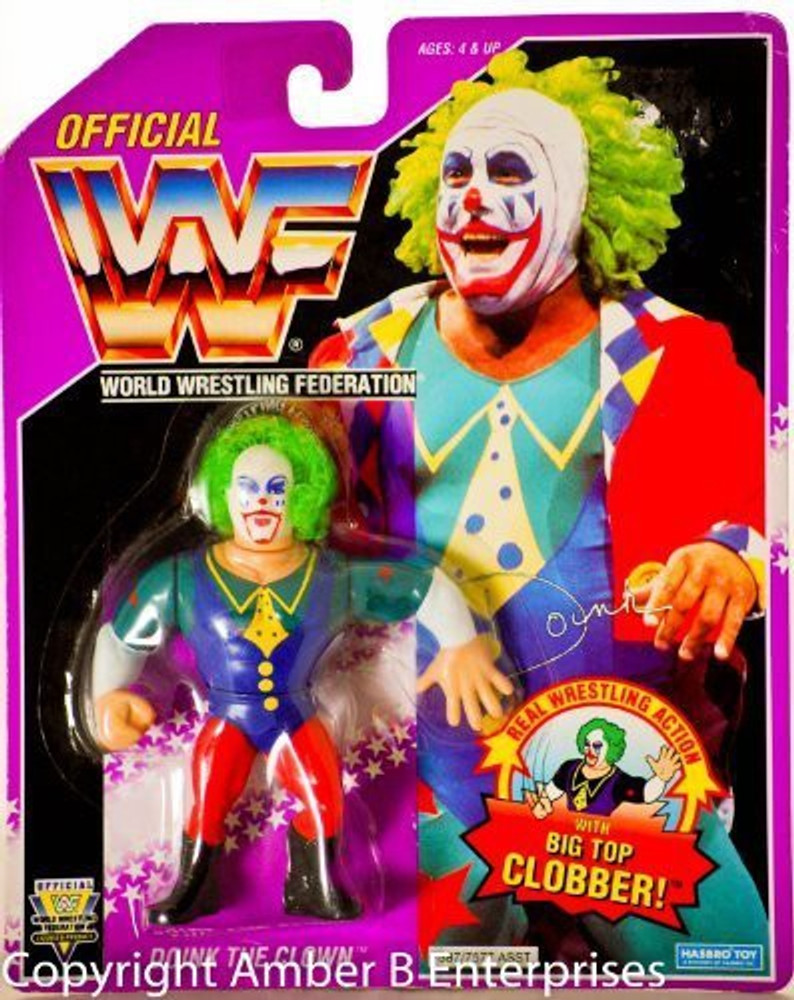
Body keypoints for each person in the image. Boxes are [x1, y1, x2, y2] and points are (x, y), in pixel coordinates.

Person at [312, 50, 767, 966]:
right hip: (423, 785)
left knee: (733, 965)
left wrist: (730, 560)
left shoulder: (673, 354)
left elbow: (759, 499)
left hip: (618, 780)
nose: (473, 199)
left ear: (579, 197)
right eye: (455, 175)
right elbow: (310, 547)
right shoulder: (362, 355)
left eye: (509, 171)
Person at [90, 412, 505, 925]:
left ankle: (314, 882)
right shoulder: (185, 576)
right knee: (209, 797)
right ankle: (193, 885)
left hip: (295, 714)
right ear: (224, 496)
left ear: (301, 498)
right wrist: (107, 696)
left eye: (276, 489)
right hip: (228, 716)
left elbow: (421, 586)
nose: (261, 502)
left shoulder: (330, 577)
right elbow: (121, 636)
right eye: (247, 488)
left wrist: (462, 644)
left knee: (323, 795)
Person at [527, 717, 682, 818]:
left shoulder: (619, 781)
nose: (590, 750)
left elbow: (646, 794)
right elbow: (548, 795)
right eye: (587, 744)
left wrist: (660, 779)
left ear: (612, 748)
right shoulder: (569, 768)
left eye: (597, 746)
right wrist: (540, 808)